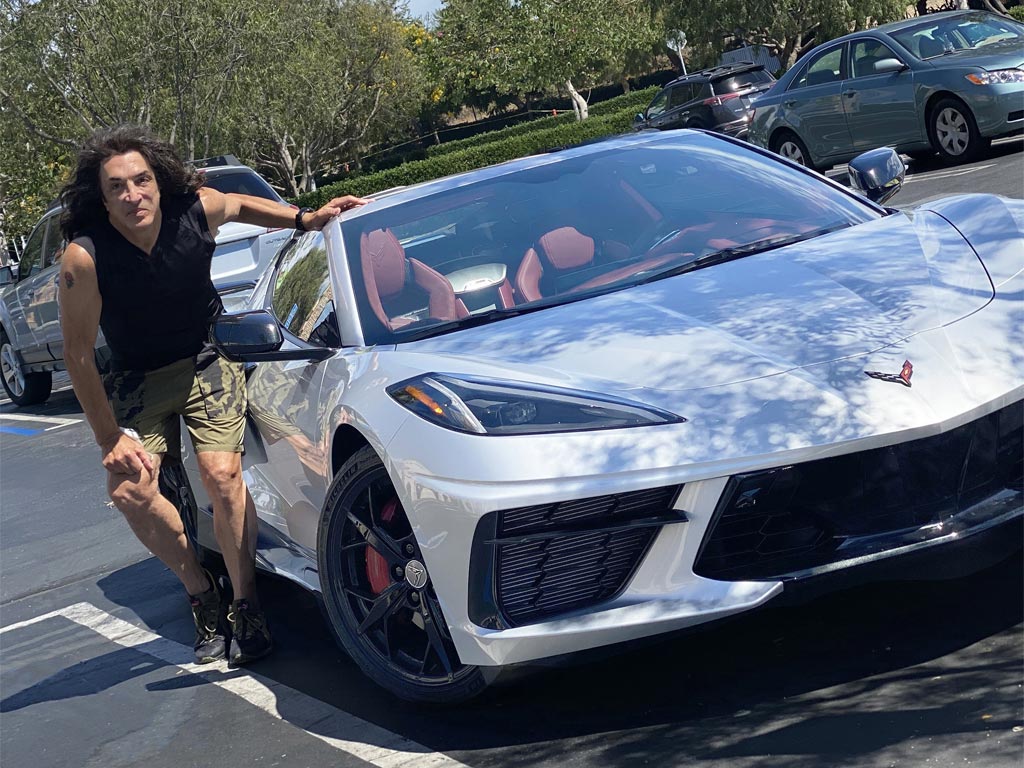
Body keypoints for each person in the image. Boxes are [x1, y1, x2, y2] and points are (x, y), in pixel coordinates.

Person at [57, 124, 367, 665]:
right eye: (117, 187)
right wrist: (109, 438)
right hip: (136, 377)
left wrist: (305, 218)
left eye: (141, 180)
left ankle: (246, 607)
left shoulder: (195, 211)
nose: (133, 195)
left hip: (207, 359)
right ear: (102, 200)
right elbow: (78, 354)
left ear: (157, 181)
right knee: (129, 490)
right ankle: (202, 590)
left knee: (222, 477)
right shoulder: (84, 259)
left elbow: (241, 204)